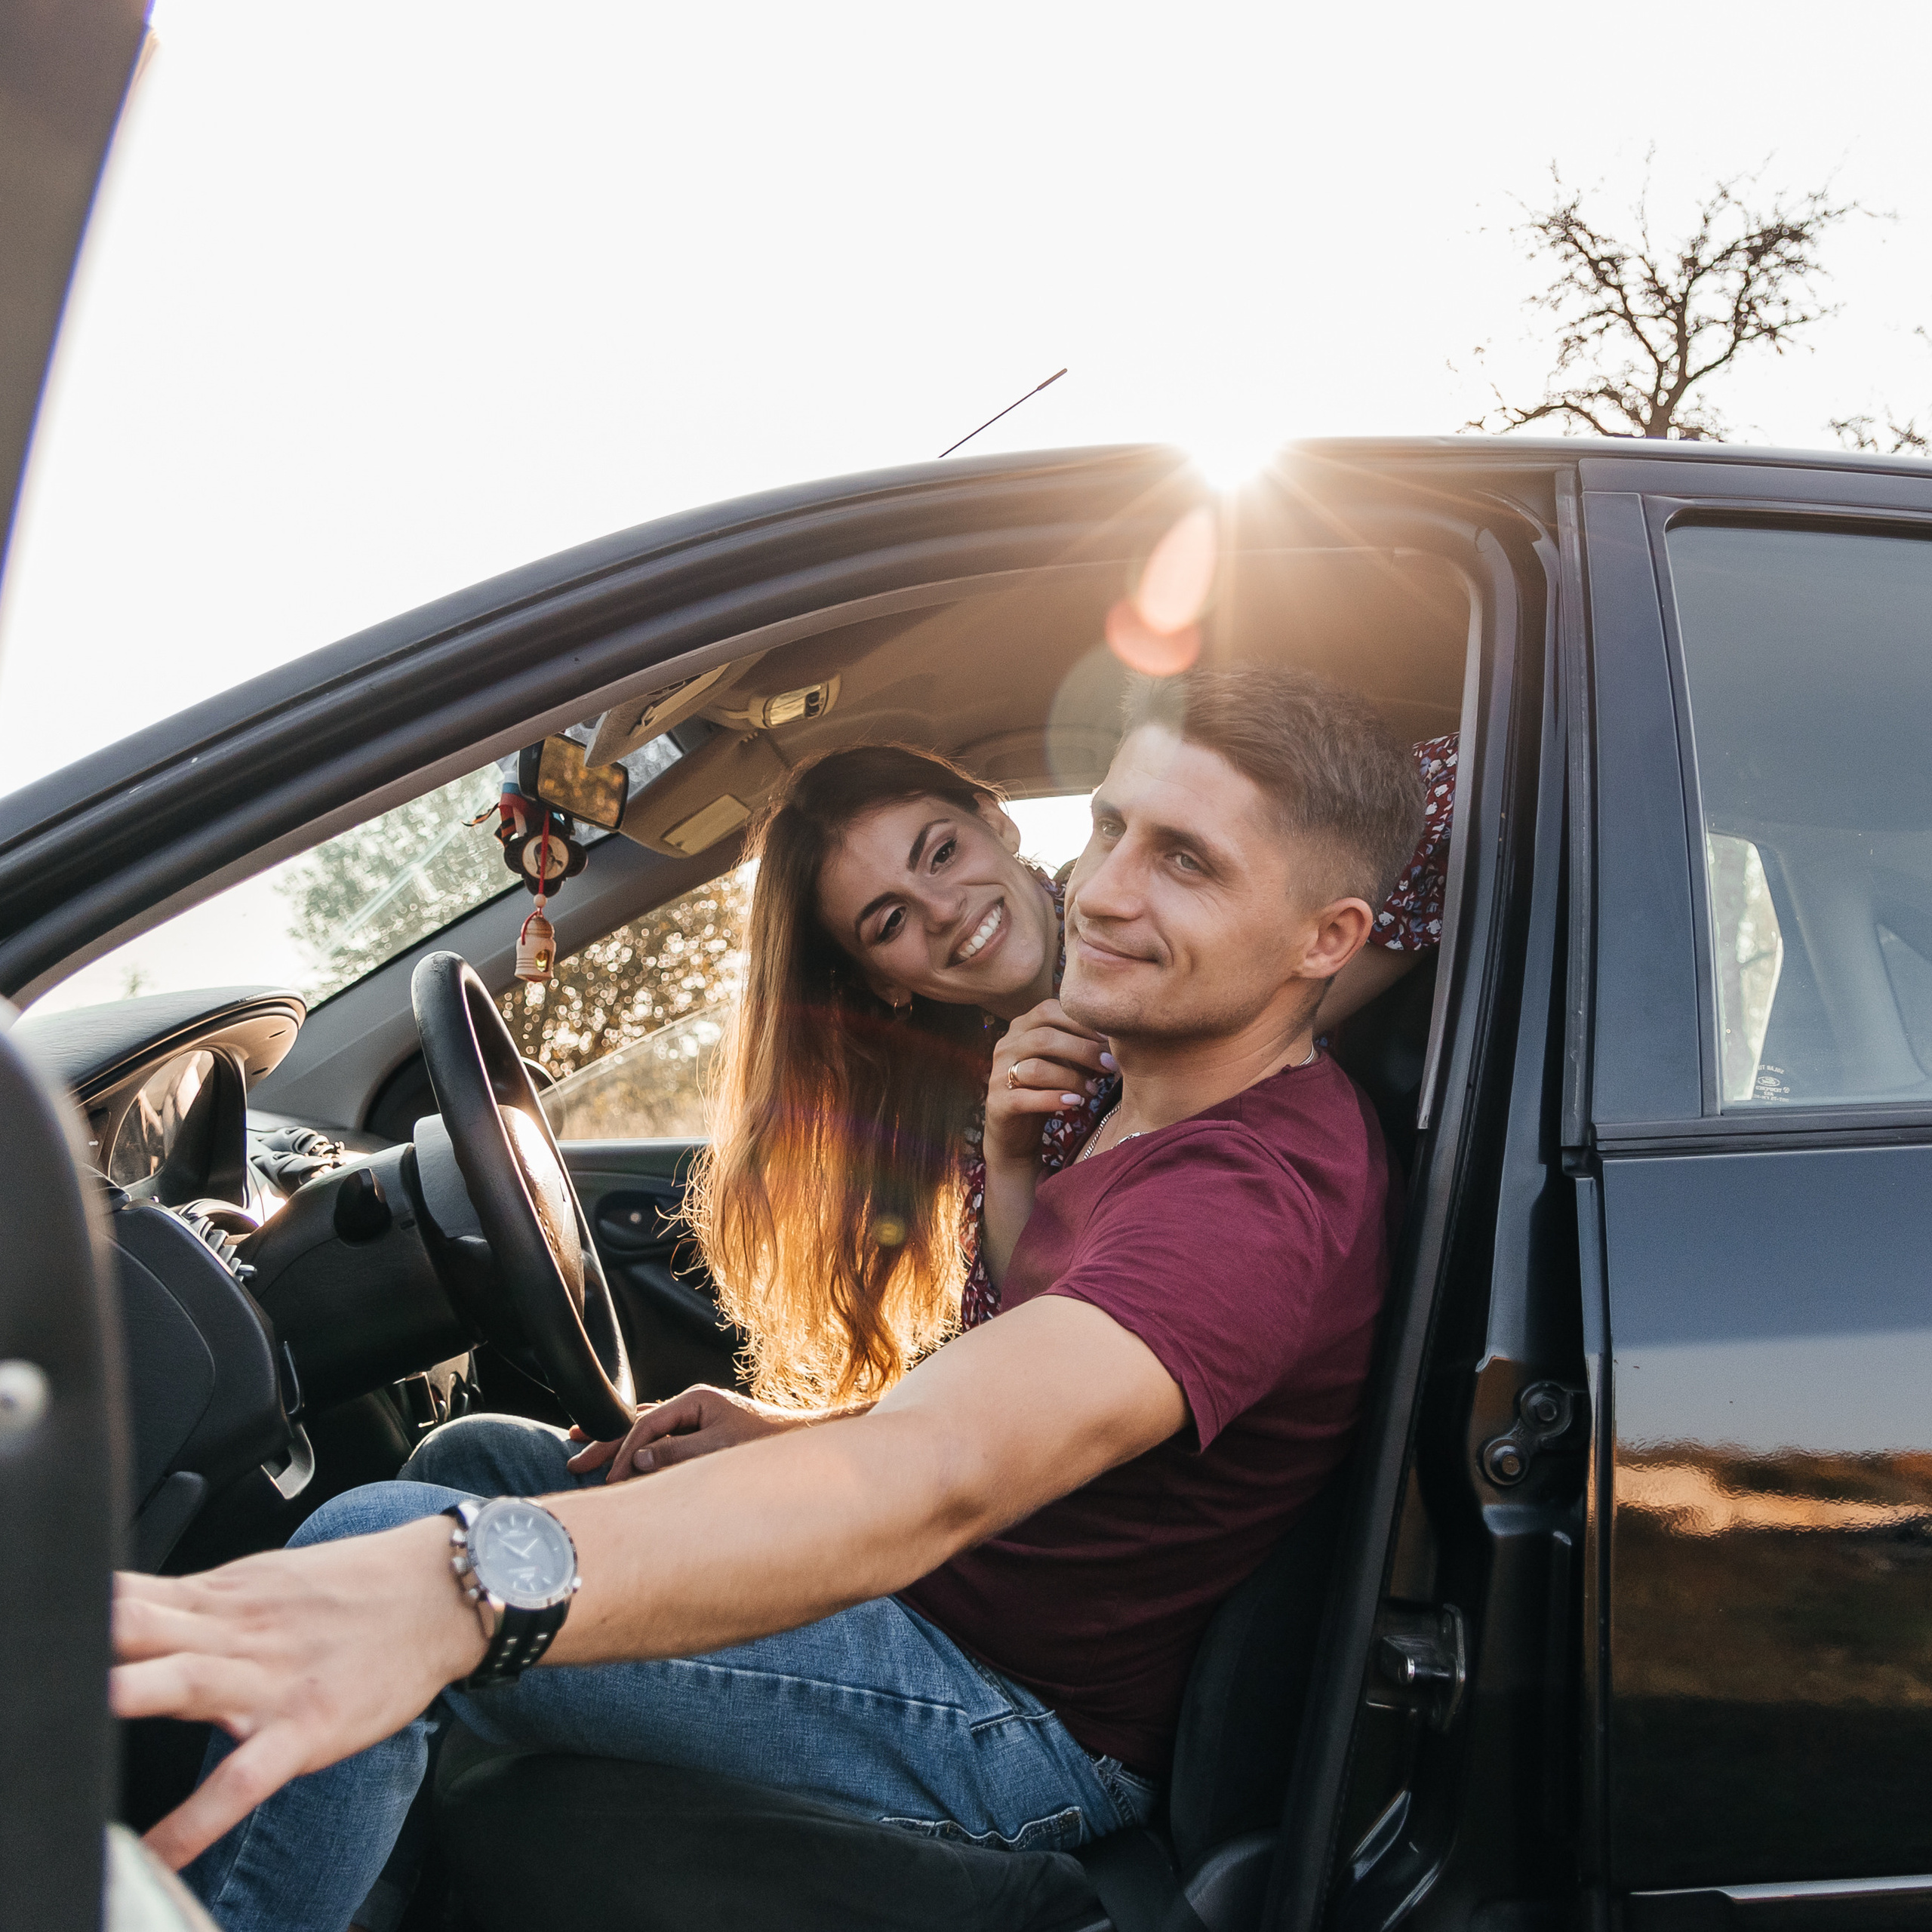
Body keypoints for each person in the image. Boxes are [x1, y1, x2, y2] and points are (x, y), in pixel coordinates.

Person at [115, 663, 1423, 1932]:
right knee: (480, 1454)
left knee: (389, 1541)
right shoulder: (1118, 1096)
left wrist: (455, 1589)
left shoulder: (1251, 1206)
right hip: (942, 1611)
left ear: (1329, 938)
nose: (1105, 893)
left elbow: (940, 1470)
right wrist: (798, 1426)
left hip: (1014, 1725)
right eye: (1111, 827)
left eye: (1187, 862)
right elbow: (1007, 1381)